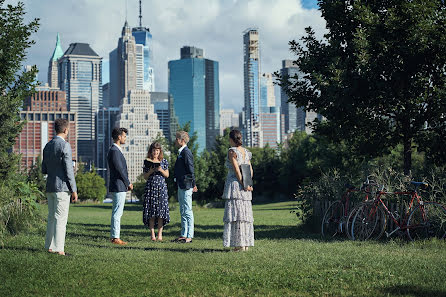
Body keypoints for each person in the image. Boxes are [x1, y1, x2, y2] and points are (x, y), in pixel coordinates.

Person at [42, 118, 78, 256]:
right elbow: (69, 170)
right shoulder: (65, 146)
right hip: (62, 187)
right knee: (61, 219)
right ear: (65, 130)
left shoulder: (47, 146)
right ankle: (59, 249)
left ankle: (49, 246)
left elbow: (44, 169)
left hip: (50, 185)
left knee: (51, 217)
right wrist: (73, 189)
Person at [222, 129, 254, 251]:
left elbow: (236, 171)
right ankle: (244, 244)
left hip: (235, 185)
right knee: (244, 215)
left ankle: (239, 244)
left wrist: (243, 184)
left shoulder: (232, 151)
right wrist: (248, 183)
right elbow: (250, 170)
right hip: (246, 185)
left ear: (231, 139)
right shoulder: (246, 151)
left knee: (236, 214)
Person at [107, 127, 133, 245]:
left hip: (119, 185)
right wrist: (128, 183)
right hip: (118, 185)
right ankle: (115, 237)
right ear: (119, 137)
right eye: (124, 136)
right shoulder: (114, 151)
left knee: (117, 211)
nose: (125, 138)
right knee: (118, 212)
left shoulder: (115, 150)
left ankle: (115, 236)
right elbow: (120, 170)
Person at [142, 142, 170, 241]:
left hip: (161, 188)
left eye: (157, 150)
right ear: (151, 151)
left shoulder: (164, 161)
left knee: (161, 212)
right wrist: (150, 171)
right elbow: (145, 176)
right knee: (151, 212)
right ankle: (152, 235)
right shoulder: (147, 162)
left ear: (160, 151)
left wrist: (160, 170)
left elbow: (167, 175)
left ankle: (160, 235)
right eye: (154, 150)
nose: (155, 152)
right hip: (151, 187)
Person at [173, 131, 197, 243]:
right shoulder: (181, 152)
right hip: (181, 184)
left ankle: (189, 235)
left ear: (182, 140)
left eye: (177, 138)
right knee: (183, 210)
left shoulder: (186, 152)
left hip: (187, 185)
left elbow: (190, 169)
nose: (175, 140)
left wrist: (193, 184)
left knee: (187, 210)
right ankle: (183, 234)